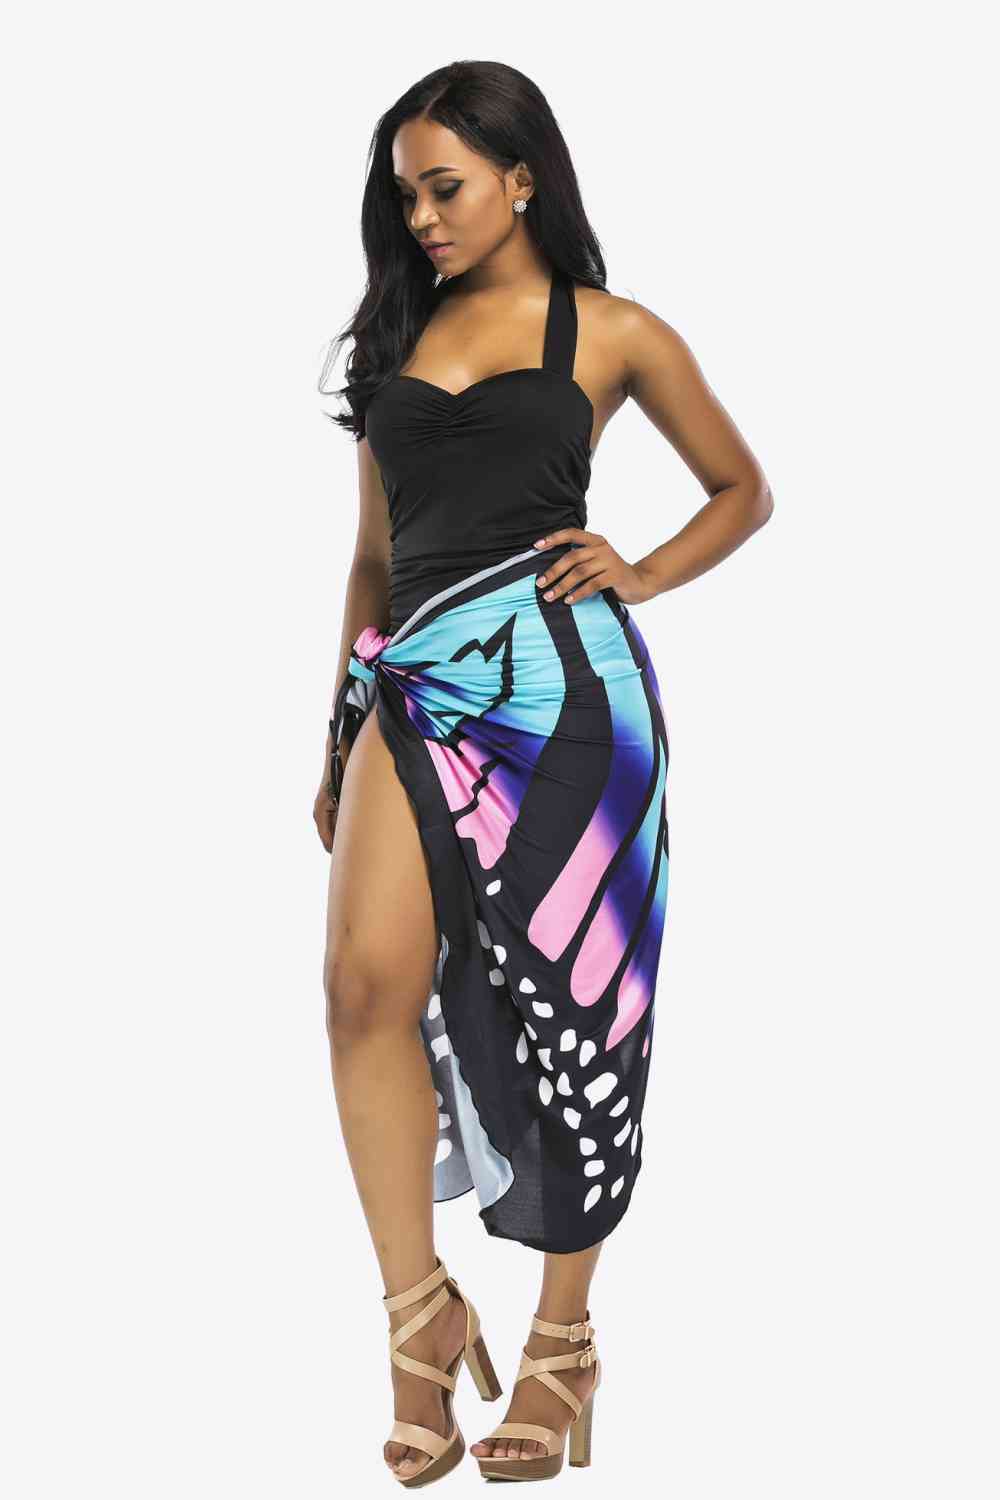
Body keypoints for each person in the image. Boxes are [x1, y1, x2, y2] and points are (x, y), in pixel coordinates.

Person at [314, 60, 772, 1487]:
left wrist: (643, 570)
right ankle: (419, 1318)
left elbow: (744, 489)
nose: (422, 217)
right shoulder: (396, 339)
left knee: (584, 1001)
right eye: (406, 195)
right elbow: (375, 559)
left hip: (571, 697)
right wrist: (335, 728)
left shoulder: (612, 331)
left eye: (445, 187)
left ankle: (563, 1341)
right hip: (412, 686)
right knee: (362, 989)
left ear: (522, 179)